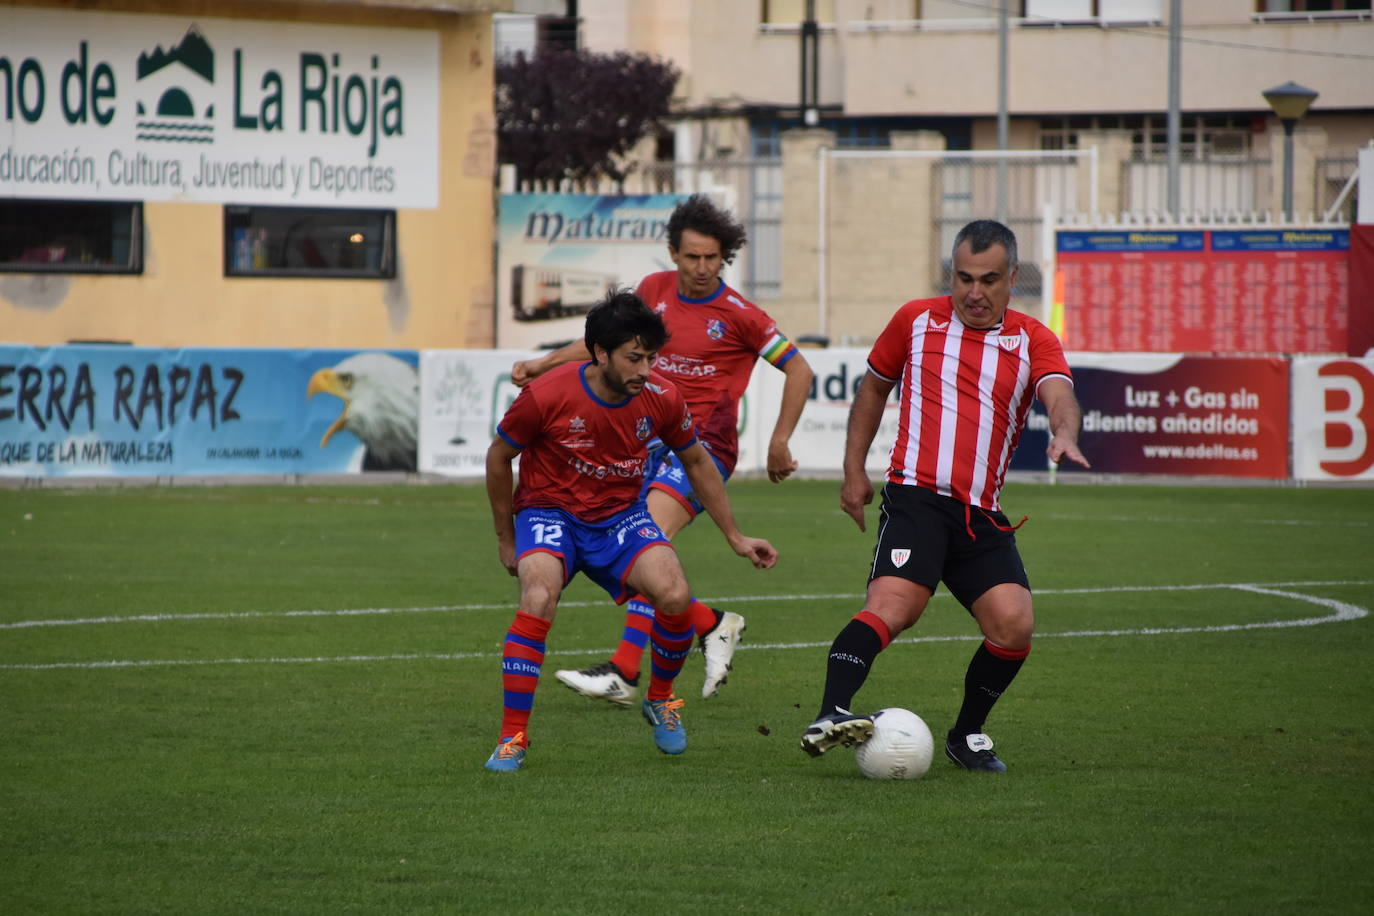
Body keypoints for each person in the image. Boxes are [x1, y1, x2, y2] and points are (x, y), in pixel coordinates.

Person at [799, 219, 1090, 773]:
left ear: (1011, 281)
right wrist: (853, 471)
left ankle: (967, 735)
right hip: (917, 499)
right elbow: (873, 389)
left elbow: (1059, 395)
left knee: (1014, 624)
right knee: (894, 608)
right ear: (949, 275)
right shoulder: (915, 320)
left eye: (988, 280)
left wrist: (1065, 432)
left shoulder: (1032, 338)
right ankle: (830, 712)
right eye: (962, 278)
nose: (973, 292)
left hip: (981, 514)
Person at [511, 194, 814, 704]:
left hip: (704, 447)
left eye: (712, 257)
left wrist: (780, 438)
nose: (702, 267)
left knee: (646, 540)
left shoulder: (741, 315)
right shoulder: (653, 291)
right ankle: (712, 623)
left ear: (725, 257)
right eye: (692, 256)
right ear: (673, 253)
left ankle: (626, 670)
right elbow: (603, 345)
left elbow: (799, 368)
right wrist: (543, 364)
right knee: (644, 562)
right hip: (646, 441)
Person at [484, 289, 778, 772]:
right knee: (538, 597)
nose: (646, 370)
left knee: (675, 593)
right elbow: (499, 456)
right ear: (600, 354)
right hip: (548, 512)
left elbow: (698, 461)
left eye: (652, 357)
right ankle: (512, 738)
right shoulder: (548, 394)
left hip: (620, 515)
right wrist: (504, 536)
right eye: (634, 358)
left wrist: (735, 535)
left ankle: (660, 699)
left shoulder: (661, 396)